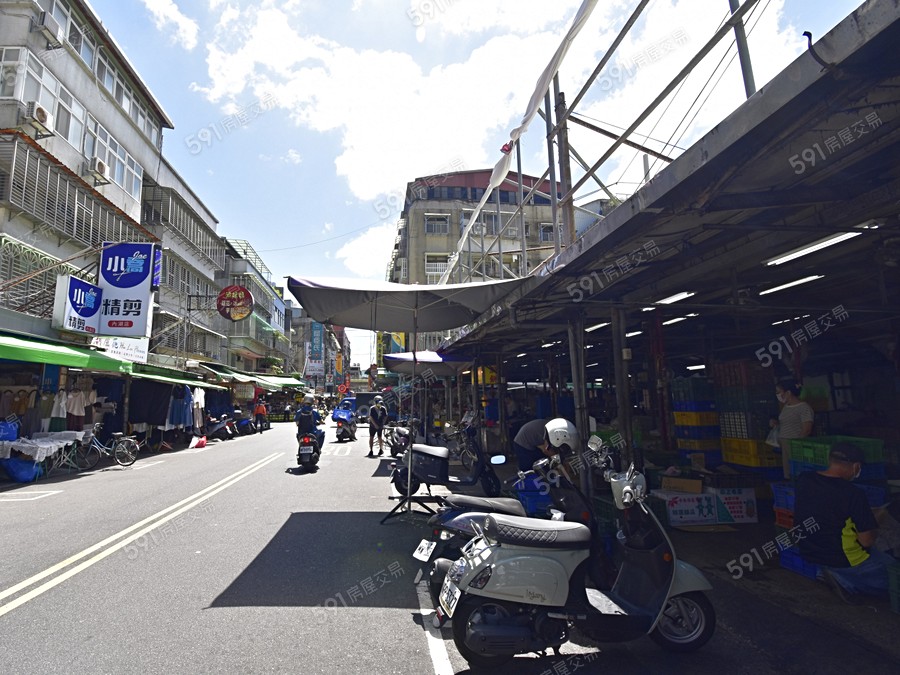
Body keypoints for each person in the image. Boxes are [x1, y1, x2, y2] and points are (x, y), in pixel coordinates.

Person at [794, 442, 895, 603]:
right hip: (845, 560)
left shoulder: (804, 480)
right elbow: (867, 540)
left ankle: (827, 573)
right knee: (893, 574)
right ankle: (845, 581)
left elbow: (828, 514)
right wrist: (876, 520)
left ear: (830, 460)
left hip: (810, 552)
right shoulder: (853, 494)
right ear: (856, 467)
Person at [771, 378, 814, 479]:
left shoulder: (804, 407)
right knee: (788, 472)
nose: (777, 394)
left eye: (779, 392)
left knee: (796, 472)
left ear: (788, 392)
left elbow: (807, 429)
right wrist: (776, 423)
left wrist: (797, 445)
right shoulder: (786, 407)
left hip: (795, 445)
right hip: (784, 443)